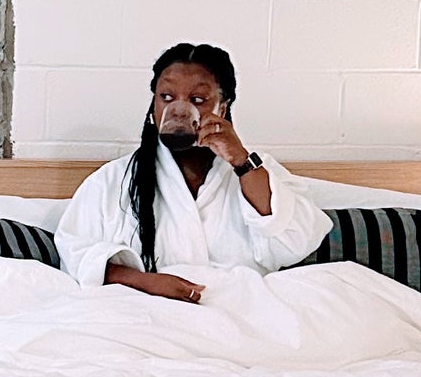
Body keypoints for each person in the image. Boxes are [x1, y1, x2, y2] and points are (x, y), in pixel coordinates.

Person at [54, 42, 330, 302]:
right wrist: (146, 281)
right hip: (144, 313)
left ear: (223, 107)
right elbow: (75, 255)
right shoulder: (113, 181)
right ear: (153, 106)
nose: (179, 111)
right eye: (166, 97)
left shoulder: (256, 171)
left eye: (197, 99)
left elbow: (295, 243)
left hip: (240, 312)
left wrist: (241, 162)